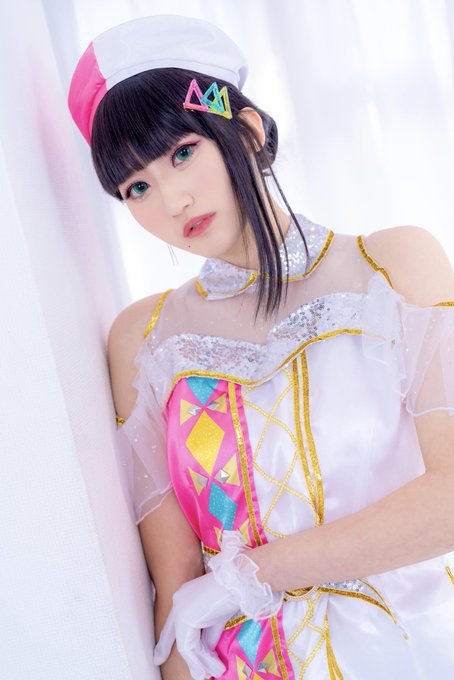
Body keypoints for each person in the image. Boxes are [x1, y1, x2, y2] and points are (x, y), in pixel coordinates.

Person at [68, 14, 454, 680]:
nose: (171, 199)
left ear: (244, 129)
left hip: (413, 652)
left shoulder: (393, 265)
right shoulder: (145, 339)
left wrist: (249, 575)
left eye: (182, 152)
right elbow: (176, 592)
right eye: (137, 187)